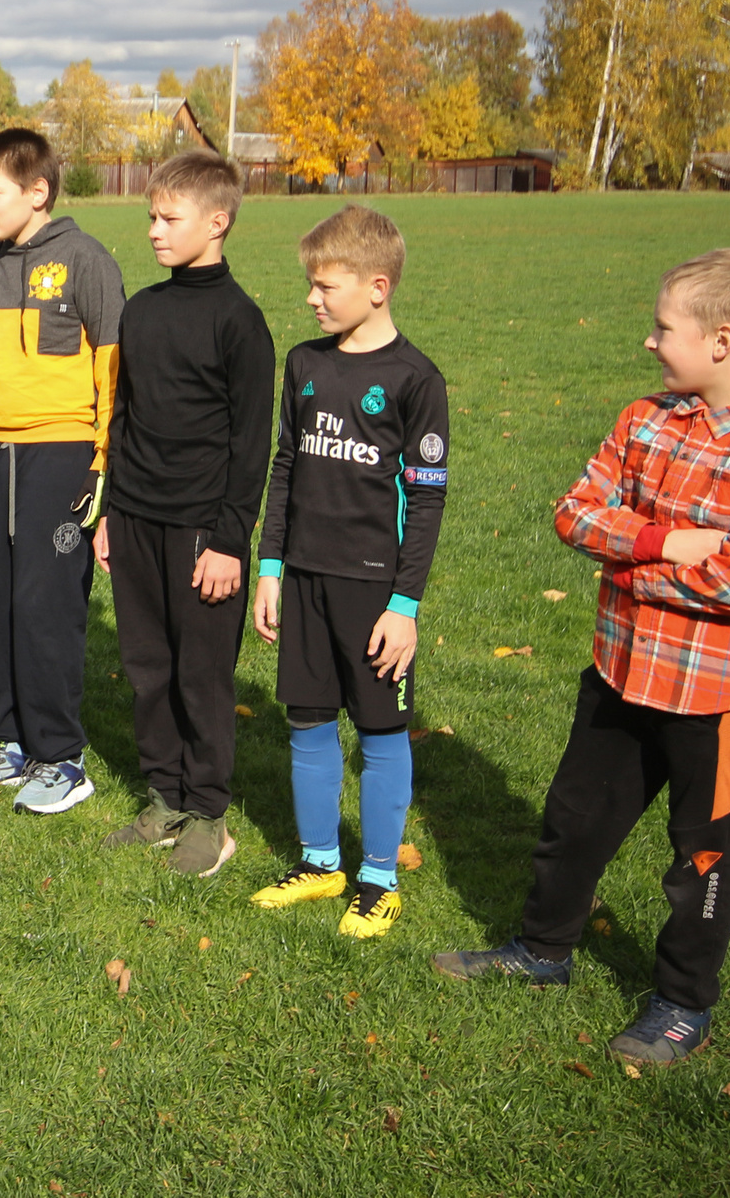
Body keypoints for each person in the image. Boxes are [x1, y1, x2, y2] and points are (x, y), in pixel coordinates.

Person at [433, 249, 730, 1066]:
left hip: (715, 698)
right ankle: (543, 949)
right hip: (623, 671)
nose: (649, 341)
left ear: (721, 341)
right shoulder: (644, 419)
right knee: (573, 821)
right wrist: (663, 543)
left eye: (663, 327)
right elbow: (574, 513)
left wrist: (625, 562)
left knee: (702, 857)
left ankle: (682, 1002)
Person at [249, 205, 449, 940]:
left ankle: (380, 879)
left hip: (373, 592)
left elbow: (426, 502)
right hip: (302, 578)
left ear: (376, 286)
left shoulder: (415, 380)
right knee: (307, 719)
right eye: (311, 284)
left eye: (325, 285)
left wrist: (405, 605)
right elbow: (286, 467)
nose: (311, 298)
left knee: (380, 728)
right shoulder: (304, 364)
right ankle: (320, 862)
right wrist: (270, 567)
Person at [95, 148, 274, 876]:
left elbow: (251, 445)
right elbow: (124, 418)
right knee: (147, 668)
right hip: (136, 519)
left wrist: (229, 541)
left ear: (217, 222)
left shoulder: (240, 322)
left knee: (200, 676)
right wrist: (111, 513)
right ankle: (165, 798)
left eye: (170, 218)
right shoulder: (142, 310)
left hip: (204, 532)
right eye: (152, 217)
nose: (154, 230)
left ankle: (208, 814)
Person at [0, 129, 125, 816]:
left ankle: (62, 757)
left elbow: (113, 372)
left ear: (37, 191)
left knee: (47, 605)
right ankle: (12, 743)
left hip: (61, 457)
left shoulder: (86, 260)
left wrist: (102, 464)